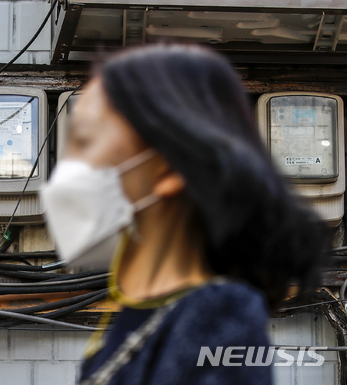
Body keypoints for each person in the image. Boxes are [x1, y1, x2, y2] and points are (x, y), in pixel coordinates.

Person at [40, 44, 328, 385]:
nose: (66, 169)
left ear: (167, 170)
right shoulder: (139, 317)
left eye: (86, 140)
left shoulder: (219, 315)